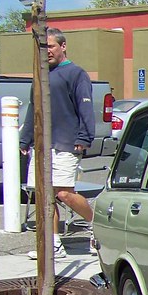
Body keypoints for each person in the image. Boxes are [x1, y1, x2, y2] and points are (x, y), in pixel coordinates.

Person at [19, 27, 96, 259]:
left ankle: (98, 226)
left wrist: (85, 136)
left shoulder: (76, 74)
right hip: (42, 146)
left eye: (51, 46)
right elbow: (34, 109)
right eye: (43, 47)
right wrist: (25, 139)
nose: (47, 51)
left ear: (63, 46)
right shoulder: (40, 75)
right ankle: (53, 245)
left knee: (64, 194)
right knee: (45, 197)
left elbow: (85, 107)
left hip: (67, 145)